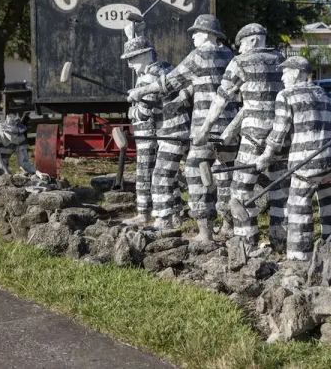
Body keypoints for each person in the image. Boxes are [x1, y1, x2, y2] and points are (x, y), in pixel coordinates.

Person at [128, 14, 237, 242]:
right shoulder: (229, 55)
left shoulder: (198, 56)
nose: (193, 37)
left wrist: (140, 92)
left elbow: (169, 82)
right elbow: (204, 82)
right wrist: (181, 99)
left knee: (195, 173)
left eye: (196, 32)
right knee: (224, 175)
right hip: (230, 127)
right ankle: (228, 225)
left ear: (207, 33)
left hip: (205, 128)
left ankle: (205, 232)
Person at [193, 23, 288, 248]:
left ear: (253, 40)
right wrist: (229, 131)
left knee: (240, 189)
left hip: (253, 137)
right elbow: (253, 104)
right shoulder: (281, 60)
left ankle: (247, 242)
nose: (240, 49)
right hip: (282, 134)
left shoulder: (240, 62)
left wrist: (204, 129)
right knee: (280, 189)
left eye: (242, 44)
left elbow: (221, 99)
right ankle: (280, 241)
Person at [256, 56, 331, 260]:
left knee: (298, 206)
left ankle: (299, 258)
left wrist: (266, 156)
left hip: (306, 163)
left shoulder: (286, 95)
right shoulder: (322, 93)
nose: (282, 77)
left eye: (285, 72)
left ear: (297, 73)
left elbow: (279, 133)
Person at [120, 21, 191, 228]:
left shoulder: (147, 79)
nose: (129, 64)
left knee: (154, 174)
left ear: (144, 55)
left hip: (161, 131)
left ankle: (156, 217)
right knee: (170, 174)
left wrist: (131, 111)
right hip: (180, 128)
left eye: (132, 59)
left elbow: (143, 113)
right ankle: (176, 214)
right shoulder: (166, 67)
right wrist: (133, 36)